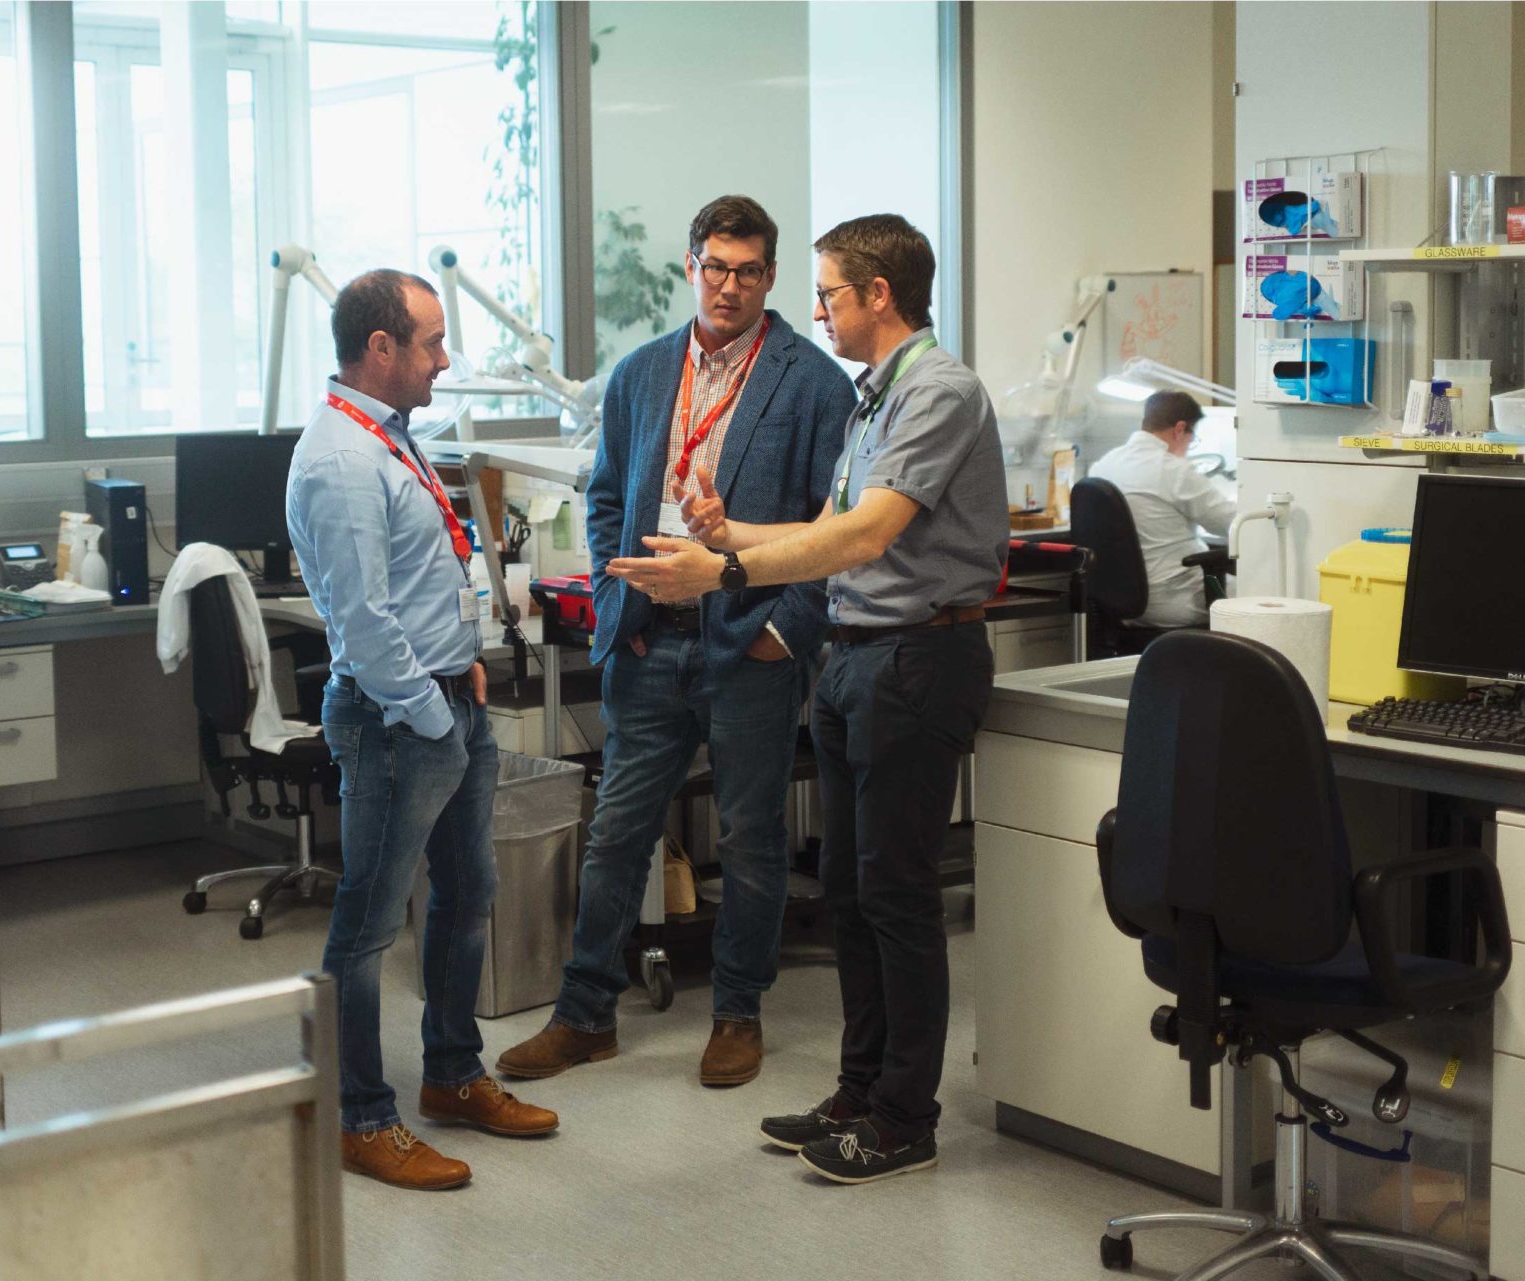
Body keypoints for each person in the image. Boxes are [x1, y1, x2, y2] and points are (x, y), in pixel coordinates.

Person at [606, 214, 1007, 1184]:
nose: (816, 308)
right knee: (856, 896)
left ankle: (906, 1117)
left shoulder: (939, 392)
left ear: (877, 296)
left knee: (901, 900)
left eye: (828, 292)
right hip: (860, 663)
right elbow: (824, 521)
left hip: (918, 660)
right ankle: (860, 1090)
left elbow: (866, 537)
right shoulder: (877, 398)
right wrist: (725, 531)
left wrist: (724, 577)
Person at [497, 195, 855, 1088]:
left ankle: (737, 1012)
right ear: (690, 267)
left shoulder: (812, 382)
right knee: (617, 829)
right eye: (714, 266)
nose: (728, 285)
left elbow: (834, 526)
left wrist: (786, 628)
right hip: (651, 640)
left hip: (749, 643)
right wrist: (623, 596)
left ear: (769, 278)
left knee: (751, 836)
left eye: (747, 270)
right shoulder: (642, 373)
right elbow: (610, 492)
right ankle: (585, 1014)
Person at [287, 268, 557, 1192]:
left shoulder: (389, 436)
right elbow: (362, 622)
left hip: (448, 698)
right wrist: (434, 707)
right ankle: (360, 1115)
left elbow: (412, 580)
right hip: (399, 718)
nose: (447, 358)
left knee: (468, 889)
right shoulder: (341, 462)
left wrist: (461, 663)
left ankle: (450, 1074)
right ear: (381, 350)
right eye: (433, 342)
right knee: (366, 924)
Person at [1085, 390, 1237, 628]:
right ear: (1179, 429)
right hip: (1177, 601)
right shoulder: (1174, 471)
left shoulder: (1102, 466)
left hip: (1118, 602)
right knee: (1258, 595)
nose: (1189, 445)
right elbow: (1231, 523)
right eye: (1191, 437)